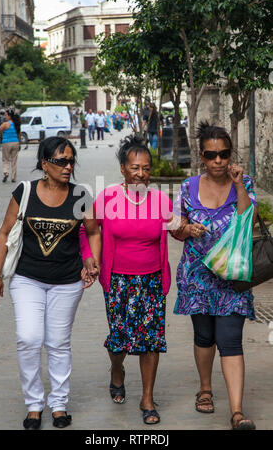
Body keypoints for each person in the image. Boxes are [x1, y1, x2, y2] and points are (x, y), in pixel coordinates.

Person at [0, 136, 101, 430]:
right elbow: (4, 234)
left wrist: (92, 260)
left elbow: (93, 231)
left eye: (71, 160)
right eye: (61, 161)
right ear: (44, 164)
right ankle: (34, 404)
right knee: (29, 338)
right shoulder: (24, 191)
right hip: (27, 279)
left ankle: (59, 404)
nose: (68, 166)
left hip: (67, 281)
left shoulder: (81, 196)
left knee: (58, 343)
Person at [80, 135, 176, 425]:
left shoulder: (160, 199)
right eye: (134, 168)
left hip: (151, 281)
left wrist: (188, 228)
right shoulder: (108, 197)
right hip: (119, 281)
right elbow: (87, 230)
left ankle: (147, 398)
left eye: (146, 168)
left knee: (150, 340)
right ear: (123, 169)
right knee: (120, 340)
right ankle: (117, 370)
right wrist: (89, 258)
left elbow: (176, 228)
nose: (141, 174)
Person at [170, 121, 258, 430]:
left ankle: (237, 412)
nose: (218, 161)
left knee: (230, 339)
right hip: (197, 276)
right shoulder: (187, 186)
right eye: (211, 155)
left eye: (223, 154)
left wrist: (238, 186)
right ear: (201, 156)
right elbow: (174, 227)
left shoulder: (242, 183)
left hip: (233, 276)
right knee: (204, 336)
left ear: (230, 154)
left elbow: (250, 217)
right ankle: (205, 389)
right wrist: (186, 228)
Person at [0, 109, 21, 183]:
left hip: (6, 143)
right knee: (14, 161)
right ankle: (13, 177)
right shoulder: (16, 124)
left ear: (9, 116)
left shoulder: (5, 124)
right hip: (15, 142)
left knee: (6, 159)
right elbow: (19, 135)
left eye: (6, 115)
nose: (4, 117)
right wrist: (19, 144)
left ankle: (6, 172)